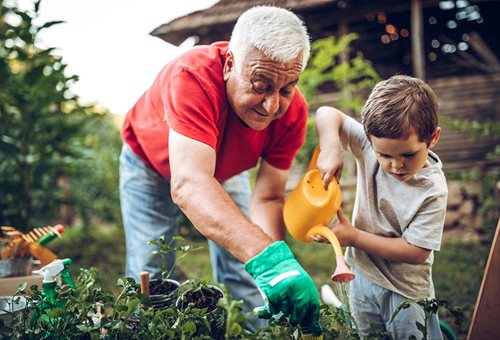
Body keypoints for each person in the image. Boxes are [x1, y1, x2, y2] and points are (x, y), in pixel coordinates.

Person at [119, 5, 321, 334]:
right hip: (149, 165)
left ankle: (260, 332)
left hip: (223, 171)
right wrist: (268, 259)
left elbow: (268, 198)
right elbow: (191, 184)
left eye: (285, 89)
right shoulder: (193, 75)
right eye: (260, 85)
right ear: (229, 64)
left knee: (247, 269)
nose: (272, 106)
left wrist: (279, 267)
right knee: (151, 273)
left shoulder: (293, 112)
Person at [314, 75, 447, 339]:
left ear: (432, 138)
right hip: (361, 275)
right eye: (384, 155)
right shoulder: (366, 144)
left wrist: (354, 237)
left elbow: (416, 252)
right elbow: (326, 113)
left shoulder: (432, 190)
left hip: (405, 291)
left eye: (408, 155)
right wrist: (331, 148)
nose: (396, 165)